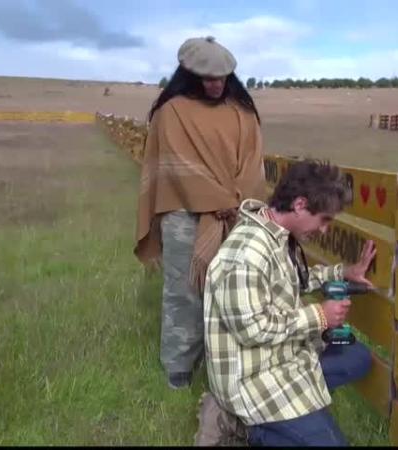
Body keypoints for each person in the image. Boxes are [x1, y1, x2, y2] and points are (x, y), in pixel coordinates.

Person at [198, 159, 377, 446]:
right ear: (299, 204)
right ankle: (240, 423)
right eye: (324, 219)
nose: (324, 230)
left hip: (282, 358)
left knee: (357, 358)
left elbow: (295, 279)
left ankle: (299, 412)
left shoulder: (276, 236)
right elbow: (253, 329)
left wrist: (343, 272)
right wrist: (319, 315)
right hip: (252, 381)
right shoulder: (245, 256)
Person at [134, 35, 268, 390]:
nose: (215, 84)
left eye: (222, 77)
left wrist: (234, 202)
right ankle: (179, 364)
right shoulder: (171, 112)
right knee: (184, 288)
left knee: (235, 289)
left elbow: (254, 166)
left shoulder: (243, 112)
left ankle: (230, 365)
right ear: (189, 74)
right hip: (183, 213)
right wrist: (219, 199)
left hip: (237, 214)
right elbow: (177, 167)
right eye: (208, 77)